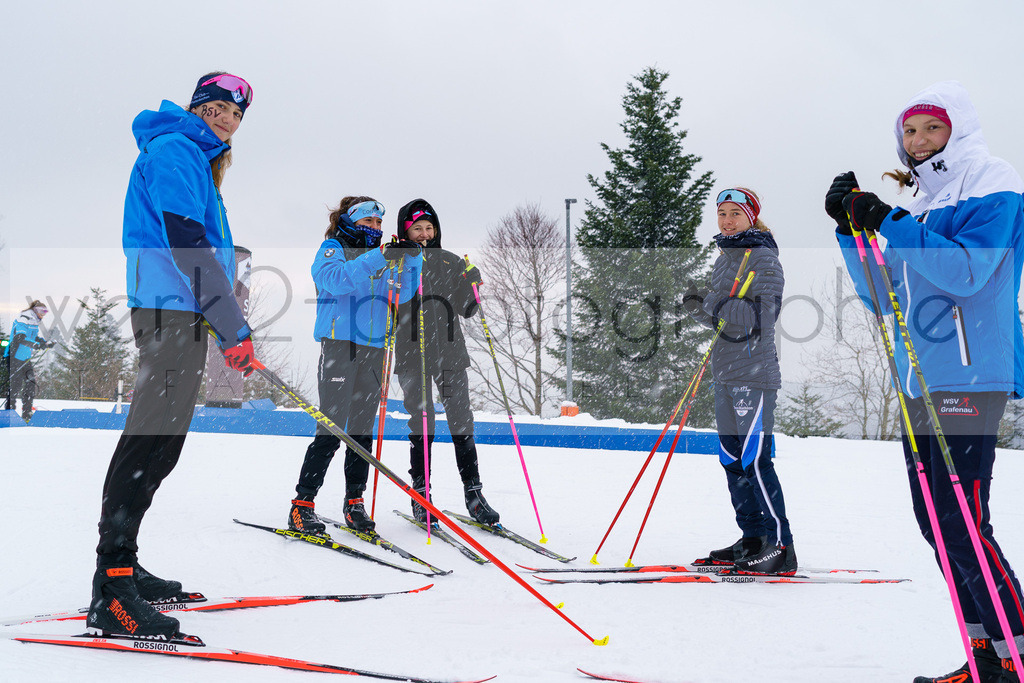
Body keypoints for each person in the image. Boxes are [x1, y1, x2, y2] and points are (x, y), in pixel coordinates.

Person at [826, 81, 1024, 683]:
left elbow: (966, 272)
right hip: (923, 380)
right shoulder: (926, 204)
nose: (918, 141)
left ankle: (1017, 656)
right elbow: (884, 297)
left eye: (931, 128)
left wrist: (890, 219)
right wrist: (850, 230)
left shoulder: (995, 185)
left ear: (957, 130)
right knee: (938, 524)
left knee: (964, 522)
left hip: (970, 373)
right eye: (909, 131)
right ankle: (984, 657)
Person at [88, 72, 259, 640]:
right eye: (218, 108)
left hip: (182, 312)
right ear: (198, 108)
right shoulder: (176, 149)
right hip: (167, 309)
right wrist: (233, 325)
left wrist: (222, 323)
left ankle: (125, 566)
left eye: (236, 116)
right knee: (149, 440)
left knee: (162, 444)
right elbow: (186, 239)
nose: (228, 120)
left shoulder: (192, 158)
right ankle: (111, 590)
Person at [287, 198, 422, 535]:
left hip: (375, 348)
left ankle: (354, 502)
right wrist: (380, 256)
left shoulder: (383, 256)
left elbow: (403, 295)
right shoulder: (332, 248)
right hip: (339, 346)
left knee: (361, 432)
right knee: (331, 426)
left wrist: (412, 260)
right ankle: (302, 505)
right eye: (369, 222)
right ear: (349, 220)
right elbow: (337, 282)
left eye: (379, 224)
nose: (375, 229)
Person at [682, 187, 795, 574]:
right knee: (732, 460)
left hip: (754, 373)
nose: (727, 220)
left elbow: (761, 315)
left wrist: (710, 302)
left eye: (735, 213)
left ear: (752, 216)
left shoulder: (764, 258)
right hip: (725, 372)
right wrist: (698, 308)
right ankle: (753, 538)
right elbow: (725, 321)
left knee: (755, 460)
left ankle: (780, 546)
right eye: (722, 214)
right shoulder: (725, 258)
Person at [391, 199, 499, 525]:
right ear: (405, 231)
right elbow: (386, 304)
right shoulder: (396, 261)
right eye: (417, 228)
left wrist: (473, 285)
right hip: (413, 354)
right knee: (423, 424)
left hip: (451, 352)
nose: (424, 234)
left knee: (461, 422)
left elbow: (468, 309)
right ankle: (421, 495)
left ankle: (474, 494)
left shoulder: (451, 263)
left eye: (429, 228)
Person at [3, 300, 54, 421]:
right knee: (15, 386)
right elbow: (20, 338)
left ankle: (26, 413)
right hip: (14, 357)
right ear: (35, 310)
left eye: (46, 312)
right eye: (43, 311)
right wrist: (36, 345)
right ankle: (9, 413)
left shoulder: (34, 321)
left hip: (25, 358)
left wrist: (44, 343)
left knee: (31, 384)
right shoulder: (24, 318)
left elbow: (33, 337)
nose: (44, 314)